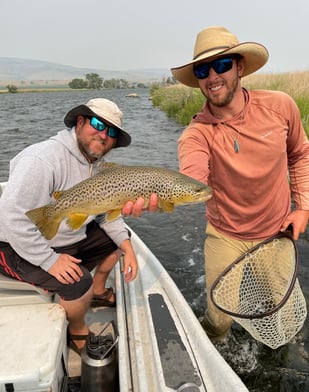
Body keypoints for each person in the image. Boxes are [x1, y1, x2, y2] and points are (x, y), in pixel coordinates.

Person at [170, 26, 309, 340]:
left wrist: (303, 208)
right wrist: (160, 193)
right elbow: (192, 178)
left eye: (221, 65)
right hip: (225, 234)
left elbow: (300, 154)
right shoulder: (197, 134)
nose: (212, 76)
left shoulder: (281, 107)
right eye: (203, 70)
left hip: (276, 232)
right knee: (218, 319)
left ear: (240, 67)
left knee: (283, 313)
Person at [0, 97, 156, 354]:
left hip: (62, 238)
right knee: (77, 282)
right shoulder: (42, 159)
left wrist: (127, 247)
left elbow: (108, 215)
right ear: (80, 122)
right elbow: (12, 218)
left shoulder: (97, 166)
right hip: (12, 247)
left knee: (117, 239)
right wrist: (49, 260)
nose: (104, 134)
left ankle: (98, 290)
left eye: (112, 131)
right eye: (98, 124)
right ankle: (77, 329)